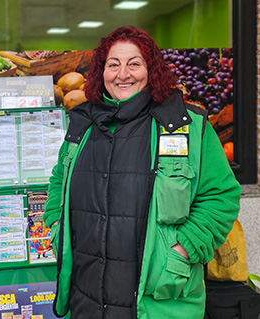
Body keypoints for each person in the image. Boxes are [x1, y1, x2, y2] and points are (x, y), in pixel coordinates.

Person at [42, 25, 241, 319]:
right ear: (102, 71)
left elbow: (221, 196)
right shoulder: (83, 125)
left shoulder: (184, 125)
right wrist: (57, 225)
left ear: (151, 70)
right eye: (114, 65)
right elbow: (60, 179)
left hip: (158, 301)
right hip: (87, 301)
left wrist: (183, 248)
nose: (123, 74)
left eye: (134, 64)